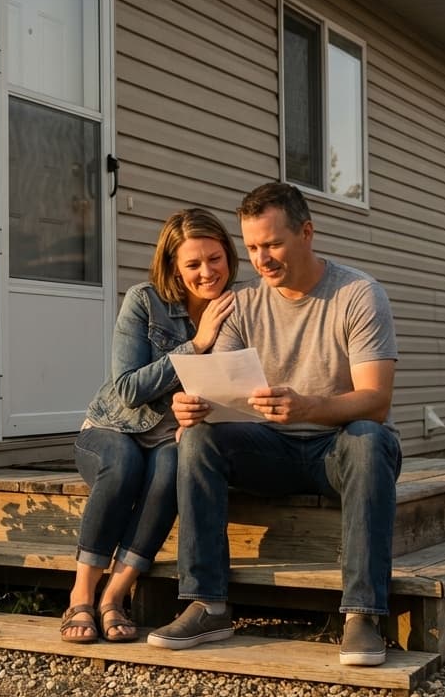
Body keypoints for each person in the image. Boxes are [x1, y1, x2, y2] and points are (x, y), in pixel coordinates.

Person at [145, 182, 401, 667]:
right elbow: (219, 395)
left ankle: (363, 614)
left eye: (273, 244)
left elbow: (377, 401)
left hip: (338, 449)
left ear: (306, 233)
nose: (261, 258)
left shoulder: (359, 295)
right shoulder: (241, 306)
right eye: (253, 247)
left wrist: (307, 407)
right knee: (198, 437)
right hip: (269, 450)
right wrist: (192, 410)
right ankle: (208, 603)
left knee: (371, 438)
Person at [60, 208, 238, 644]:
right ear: (174, 267)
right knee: (123, 468)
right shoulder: (144, 300)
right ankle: (81, 593)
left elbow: (240, 385)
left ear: (228, 256)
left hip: (171, 438)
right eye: (193, 264)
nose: (207, 272)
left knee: (170, 471)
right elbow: (126, 389)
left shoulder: (240, 306)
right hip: (112, 428)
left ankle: (114, 597)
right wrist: (195, 345)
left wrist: (204, 419)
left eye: (214, 259)